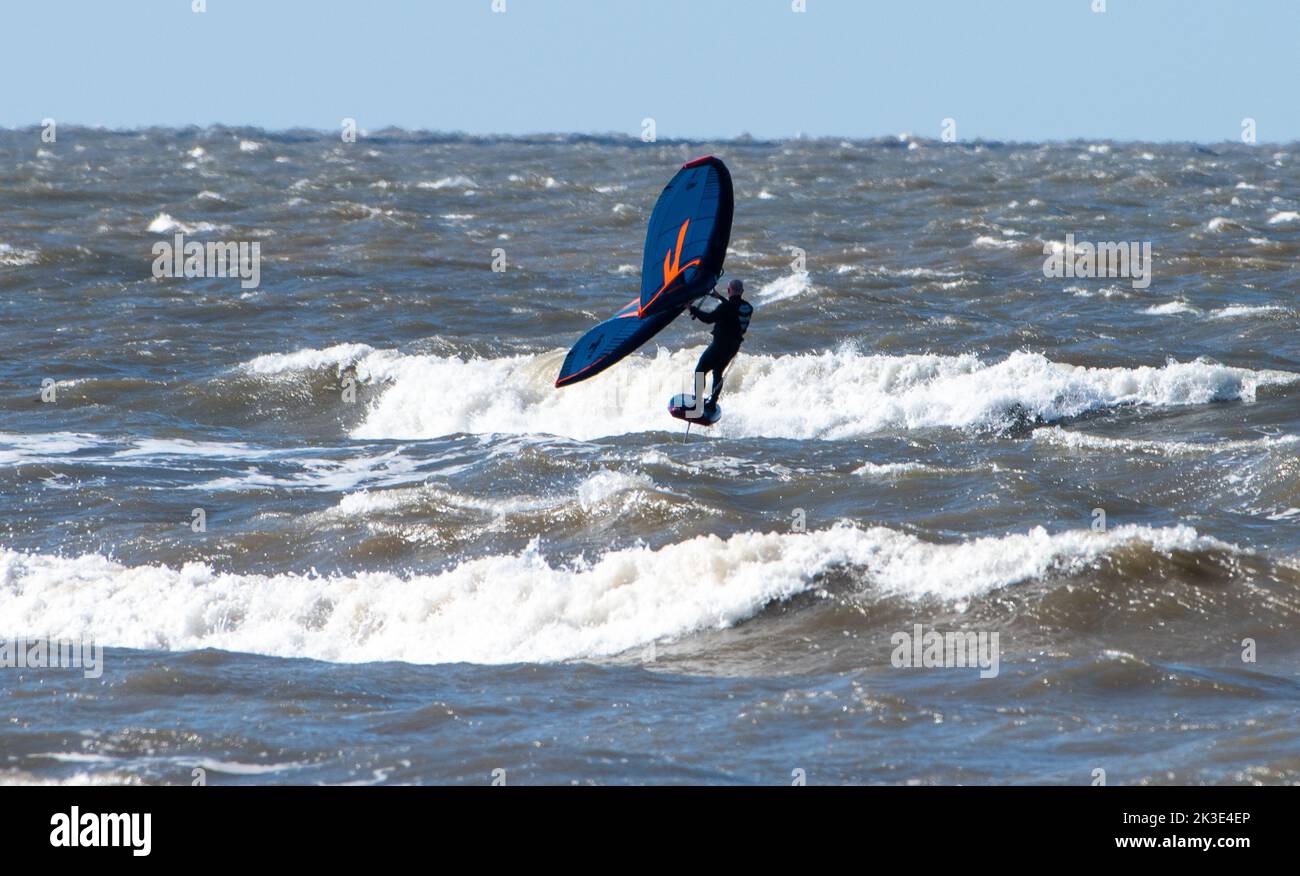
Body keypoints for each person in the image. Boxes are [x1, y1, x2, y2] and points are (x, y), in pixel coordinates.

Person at [688, 278, 753, 413]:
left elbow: (708, 319)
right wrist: (719, 297)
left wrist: (691, 308)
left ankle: (697, 404)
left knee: (700, 370)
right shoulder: (747, 307)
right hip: (732, 348)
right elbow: (733, 308)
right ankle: (712, 403)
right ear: (742, 292)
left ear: (729, 290)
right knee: (718, 372)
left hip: (720, 345)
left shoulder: (726, 307)